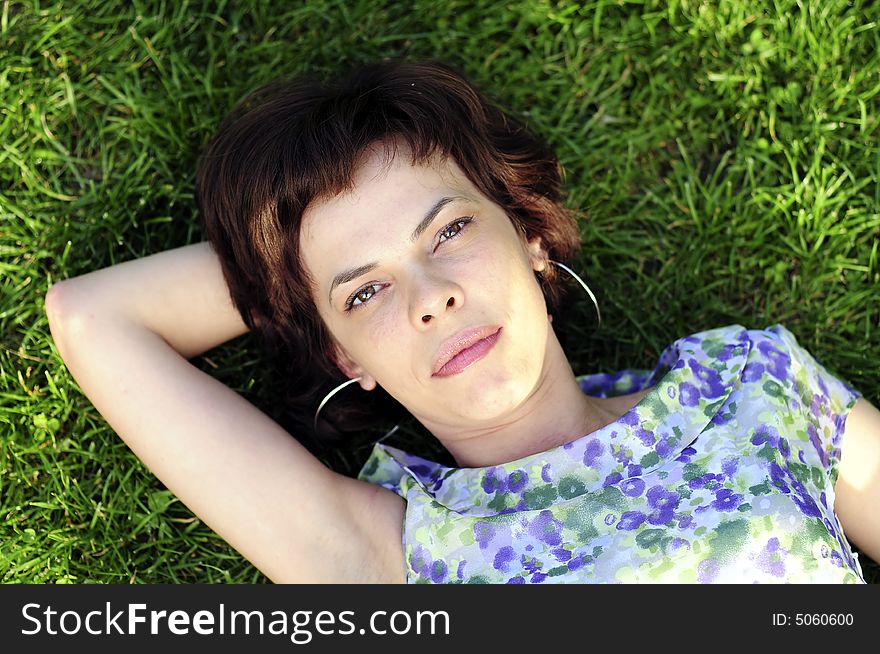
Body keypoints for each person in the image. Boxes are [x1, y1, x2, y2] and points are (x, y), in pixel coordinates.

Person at [45, 60, 880, 584]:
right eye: (365, 292)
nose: (431, 296)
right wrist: (289, 265)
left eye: (448, 231)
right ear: (344, 353)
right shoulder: (389, 556)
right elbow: (94, 317)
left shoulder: (751, 385)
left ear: (532, 239)